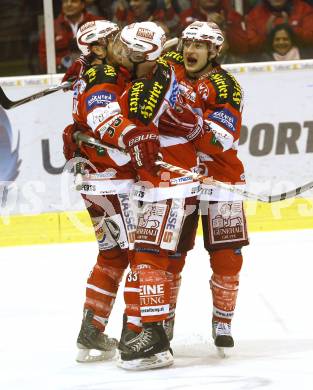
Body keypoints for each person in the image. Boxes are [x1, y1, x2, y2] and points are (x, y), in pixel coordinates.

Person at [105, 21, 203, 370]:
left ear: (140, 55)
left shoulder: (146, 89)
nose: (117, 54)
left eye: (124, 50)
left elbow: (126, 129)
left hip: (168, 181)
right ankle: (155, 326)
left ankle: (155, 340)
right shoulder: (162, 73)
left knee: (148, 255)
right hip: (172, 178)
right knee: (159, 257)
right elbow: (192, 125)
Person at [162, 21, 249, 352]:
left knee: (227, 257)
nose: (190, 51)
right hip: (177, 180)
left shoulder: (226, 86)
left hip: (220, 179)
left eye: (199, 46)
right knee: (169, 255)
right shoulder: (171, 74)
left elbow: (220, 139)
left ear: (215, 52)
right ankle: (163, 322)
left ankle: (223, 321)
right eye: (187, 44)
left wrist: (188, 124)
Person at [62, 19, 136, 363]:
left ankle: (91, 327)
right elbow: (103, 118)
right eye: (113, 40)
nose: (121, 43)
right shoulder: (102, 75)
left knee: (112, 256)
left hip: (95, 182)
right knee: (140, 254)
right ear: (96, 48)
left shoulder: (94, 72)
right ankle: (137, 332)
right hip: (114, 181)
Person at [38, 0, 101, 73]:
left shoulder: (97, 22)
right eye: (65, 1)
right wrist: (62, 62)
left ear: (82, 5)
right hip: (61, 75)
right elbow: (43, 59)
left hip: (95, 73)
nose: (68, 4)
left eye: (74, 1)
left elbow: (110, 52)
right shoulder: (51, 27)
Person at [246, 0, 313, 60]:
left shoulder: (304, 9)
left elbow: (310, 38)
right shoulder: (254, 15)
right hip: (266, 63)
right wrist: (267, 34)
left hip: (302, 60)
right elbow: (251, 46)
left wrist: (291, 30)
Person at [179, 0, 248, 57]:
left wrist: (223, 27)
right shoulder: (185, 16)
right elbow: (179, 48)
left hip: (228, 65)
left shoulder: (232, 16)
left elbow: (244, 48)